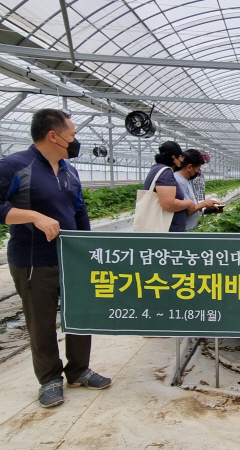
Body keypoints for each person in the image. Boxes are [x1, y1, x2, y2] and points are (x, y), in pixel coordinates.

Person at [0, 109, 111, 408]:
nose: (75, 140)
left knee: (80, 314)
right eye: (72, 134)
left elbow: (78, 211)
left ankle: (78, 370)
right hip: (34, 259)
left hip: (71, 257)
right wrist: (33, 215)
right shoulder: (14, 166)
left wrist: (87, 246)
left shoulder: (69, 170)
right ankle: (49, 379)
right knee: (41, 321)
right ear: (53, 135)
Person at [142, 141, 195, 232]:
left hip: (166, 231)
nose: (182, 160)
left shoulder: (156, 168)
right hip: (168, 231)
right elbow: (168, 204)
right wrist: (188, 203)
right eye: (181, 157)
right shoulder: (165, 172)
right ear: (174, 157)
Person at [173, 149, 219, 230]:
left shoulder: (186, 180)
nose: (198, 172)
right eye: (198, 169)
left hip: (189, 229)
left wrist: (209, 208)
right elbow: (185, 211)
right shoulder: (179, 182)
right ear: (189, 167)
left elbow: (192, 206)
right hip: (182, 231)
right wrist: (204, 204)